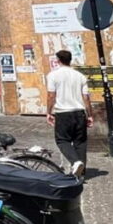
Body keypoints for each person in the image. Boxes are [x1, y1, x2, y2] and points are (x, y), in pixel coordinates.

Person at [45, 49, 91, 178]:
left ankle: (75, 162)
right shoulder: (80, 76)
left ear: (58, 60)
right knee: (80, 142)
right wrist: (90, 115)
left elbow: (51, 95)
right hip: (79, 112)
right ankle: (81, 173)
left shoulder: (53, 75)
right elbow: (86, 97)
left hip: (63, 112)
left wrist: (49, 112)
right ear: (70, 60)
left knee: (62, 140)